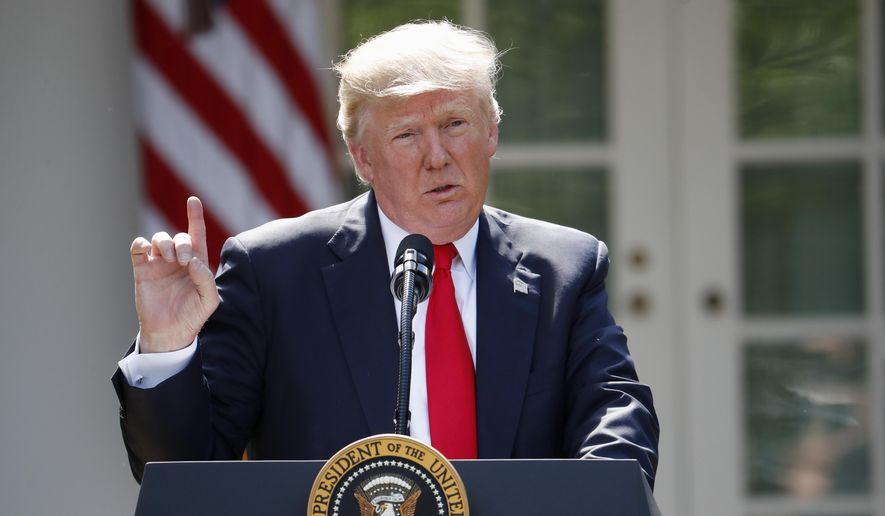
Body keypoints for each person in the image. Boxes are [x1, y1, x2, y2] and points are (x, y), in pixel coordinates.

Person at [113, 20, 659, 487]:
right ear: (363, 158)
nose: (437, 157)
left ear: (491, 131)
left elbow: (615, 415)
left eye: (454, 124)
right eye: (406, 136)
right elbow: (185, 469)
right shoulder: (274, 271)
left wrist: (593, 499)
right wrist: (165, 347)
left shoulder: (564, 267)